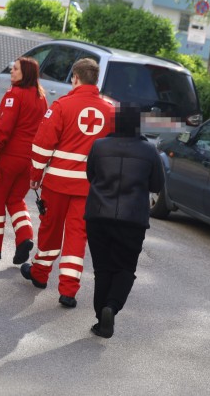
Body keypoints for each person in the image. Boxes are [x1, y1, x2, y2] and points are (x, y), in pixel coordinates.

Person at [20, 58, 113, 308]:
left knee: (50, 229)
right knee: (77, 236)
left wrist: (35, 176)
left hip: (58, 184)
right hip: (88, 188)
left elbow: (42, 145)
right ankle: (68, 291)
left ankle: (40, 274)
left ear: (75, 78)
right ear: (96, 80)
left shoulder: (62, 105)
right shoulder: (110, 111)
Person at [84, 106, 164, 338]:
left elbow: (91, 176)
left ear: (116, 123)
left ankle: (101, 319)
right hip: (132, 219)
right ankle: (112, 306)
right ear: (138, 125)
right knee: (125, 268)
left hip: (98, 216)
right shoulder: (150, 151)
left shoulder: (99, 146)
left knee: (102, 268)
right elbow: (157, 185)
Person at [0, 57, 47, 264]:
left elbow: (4, 129)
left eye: (16, 69)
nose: (12, 72)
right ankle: (25, 237)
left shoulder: (14, 95)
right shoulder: (41, 97)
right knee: (16, 200)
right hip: (29, 160)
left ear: (25, 72)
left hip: (8, 158)